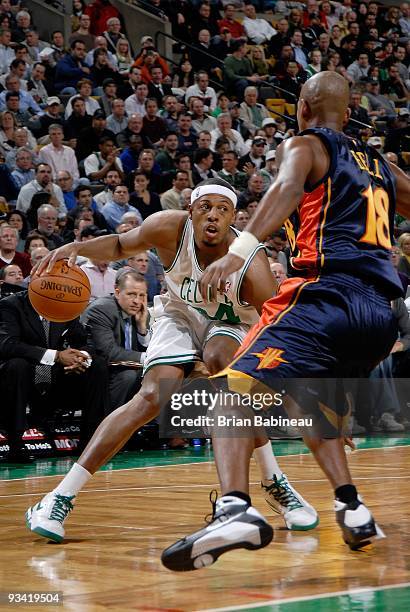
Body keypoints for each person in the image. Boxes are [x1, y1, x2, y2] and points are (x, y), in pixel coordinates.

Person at [160, 71, 410, 571]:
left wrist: (240, 249)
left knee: (232, 394)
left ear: (302, 107)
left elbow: (286, 185)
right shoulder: (379, 163)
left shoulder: (308, 144)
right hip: (382, 315)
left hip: (326, 293)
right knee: (313, 404)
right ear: (351, 107)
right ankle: (351, 506)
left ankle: (234, 508)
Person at [26, 177, 318, 543]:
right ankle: (59, 496)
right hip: (178, 313)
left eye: (222, 210)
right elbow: (118, 244)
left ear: (234, 218)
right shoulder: (167, 227)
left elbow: (277, 333)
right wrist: (76, 246)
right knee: (150, 398)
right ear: (190, 211)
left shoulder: (252, 265)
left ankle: (274, 481)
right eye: (205, 208)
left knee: (228, 374)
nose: (213, 215)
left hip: (231, 322)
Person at [0, 290, 109, 461]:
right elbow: (7, 344)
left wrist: (79, 358)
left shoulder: (64, 306)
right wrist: (57, 355)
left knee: (97, 365)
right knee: (17, 365)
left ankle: (90, 441)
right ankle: (15, 442)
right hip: (24, 385)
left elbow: (85, 342)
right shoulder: (11, 304)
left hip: (55, 383)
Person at [83, 269, 149, 411]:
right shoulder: (102, 309)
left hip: (124, 366)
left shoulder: (139, 311)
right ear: (117, 292)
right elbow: (109, 352)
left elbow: (143, 348)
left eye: (141, 295)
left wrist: (142, 328)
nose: (137, 301)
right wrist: (149, 358)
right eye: (131, 294)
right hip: (97, 372)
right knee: (129, 377)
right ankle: (110, 423)